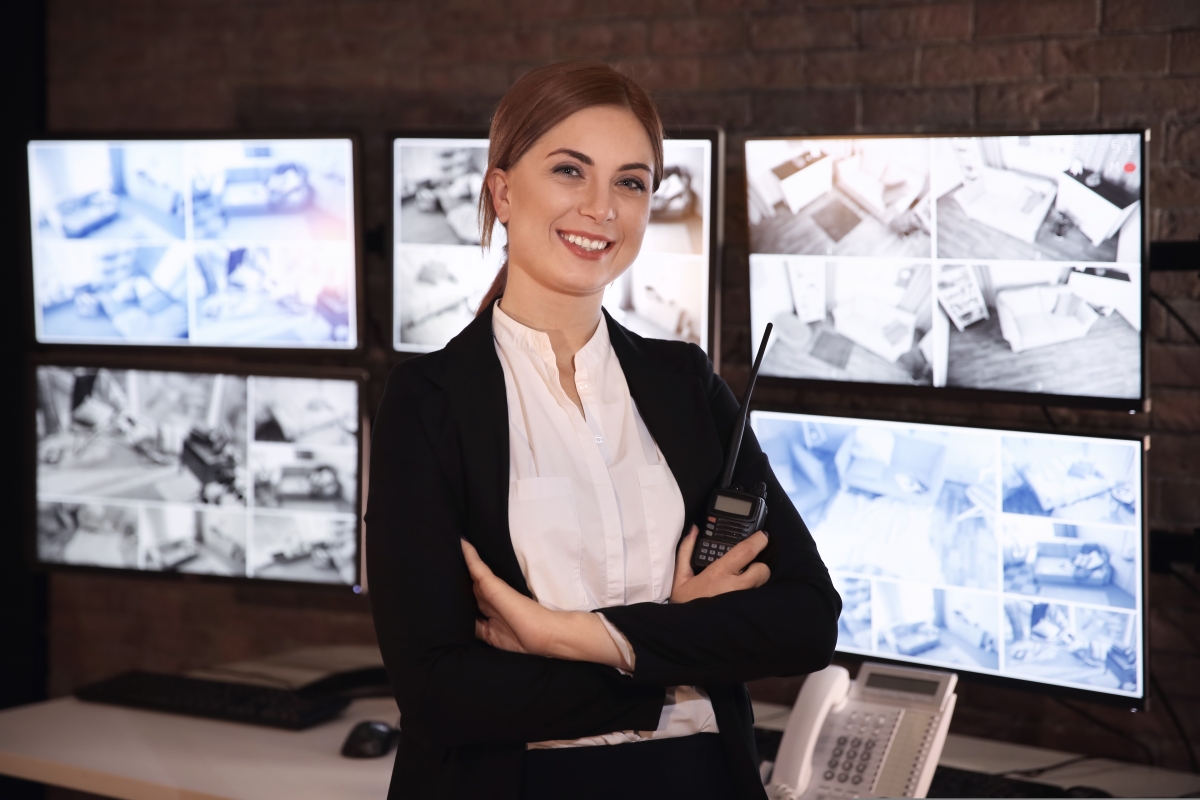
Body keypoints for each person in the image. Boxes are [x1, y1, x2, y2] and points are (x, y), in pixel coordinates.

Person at [367, 61, 841, 800]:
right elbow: (440, 693)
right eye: (569, 170)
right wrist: (673, 648)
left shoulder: (686, 384)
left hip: (701, 781)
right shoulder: (428, 402)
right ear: (502, 189)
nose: (602, 208)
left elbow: (807, 620)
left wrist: (563, 634)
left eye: (631, 182)